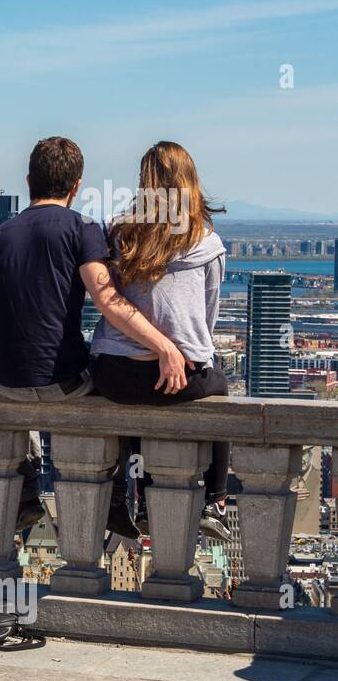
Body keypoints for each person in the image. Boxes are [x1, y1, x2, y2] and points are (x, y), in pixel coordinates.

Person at [0, 136, 191, 533]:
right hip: (64, 381)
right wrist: (164, 346)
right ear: (76, 186)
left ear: (29, 181)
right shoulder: (82, 229)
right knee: (120, 378)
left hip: (3, 381)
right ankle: (116, 494)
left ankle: (26, 493)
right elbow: (108, 300)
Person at [91, 141, 231, 541]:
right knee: (218, 386)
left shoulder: (118, 234)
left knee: (135, 390)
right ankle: (215, 499)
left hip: (113, 374)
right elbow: (206, 322)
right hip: (178, 379)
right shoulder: (207, 244)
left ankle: (121, 495)